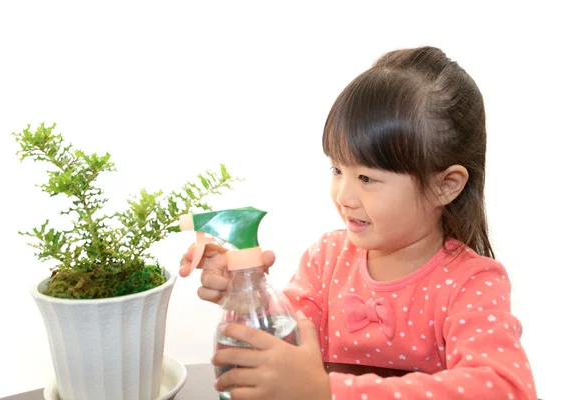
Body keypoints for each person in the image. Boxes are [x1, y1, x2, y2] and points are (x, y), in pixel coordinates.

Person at [179, 46, 537, 400]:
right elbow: (285, 343)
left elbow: (506, 389)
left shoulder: (471, 284)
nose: (344, 196)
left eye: (366, 178)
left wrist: (326, 391)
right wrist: (245, 290)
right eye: (337, 170)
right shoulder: (328, 260)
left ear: (446, 185)